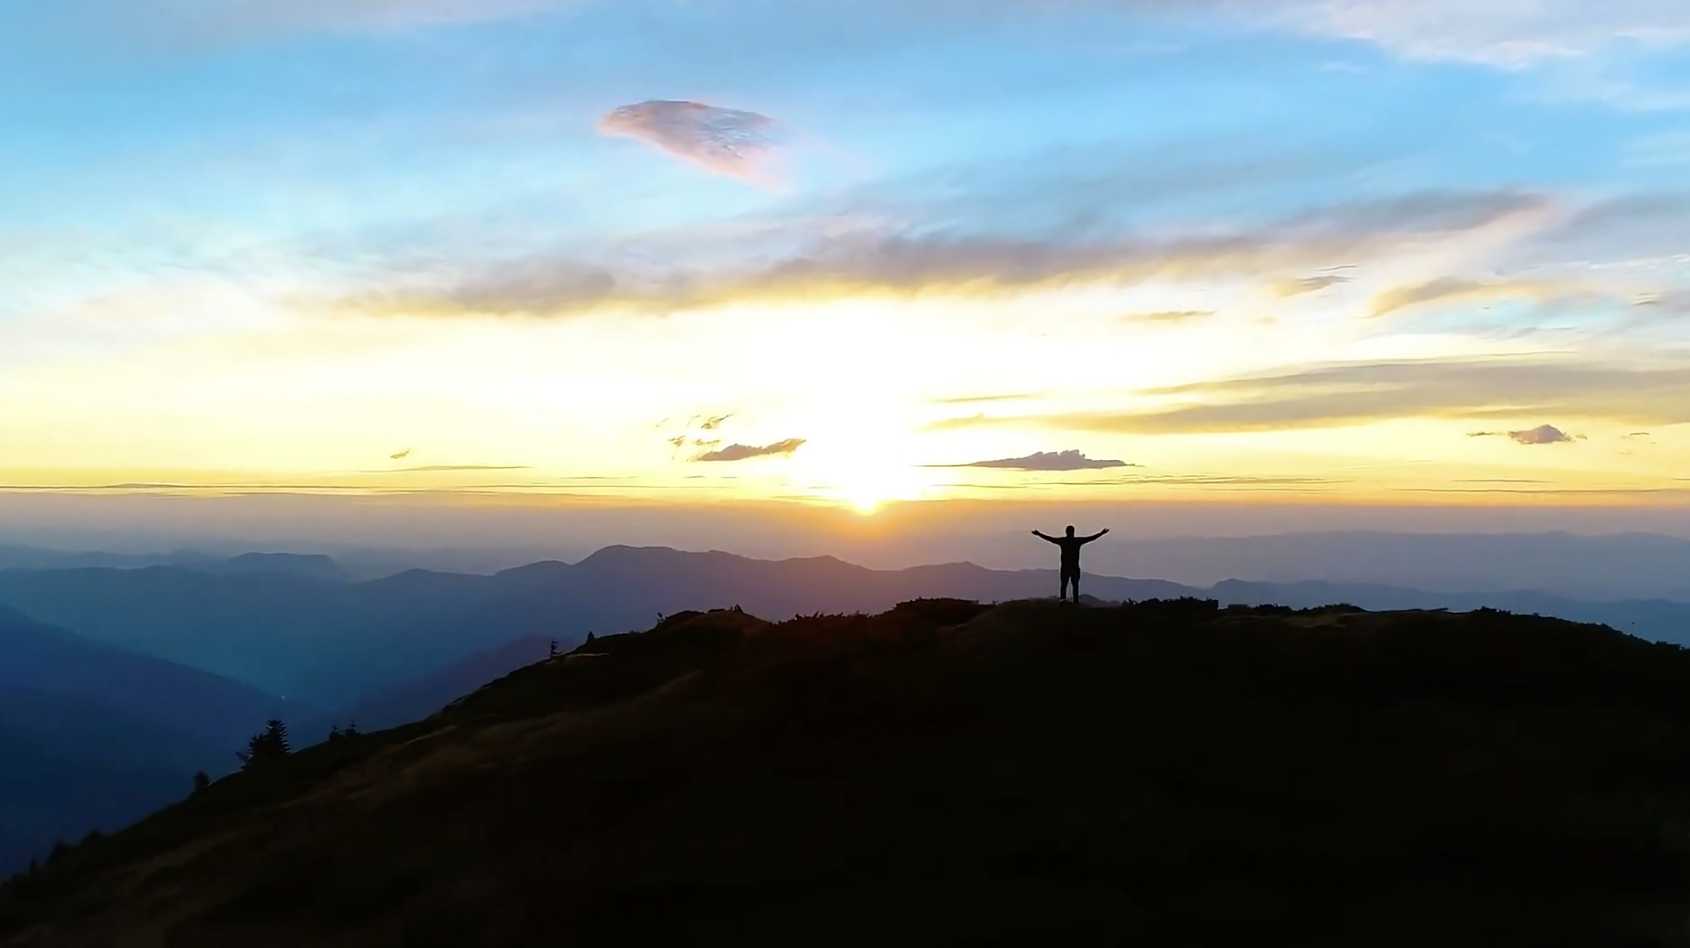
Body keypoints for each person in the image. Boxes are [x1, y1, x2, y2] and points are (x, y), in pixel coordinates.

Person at [1031, 525, 1110, 603]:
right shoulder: (1077, 541)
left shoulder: (1063, 541)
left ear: (1066, 532)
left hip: (1065, 568)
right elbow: (1091, 538)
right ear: (1073, 532)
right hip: (1074, 568)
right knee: (1075, 586)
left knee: (1064, 586)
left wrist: (1039, 534)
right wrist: (1101, 533)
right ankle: (1075, 602)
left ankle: (1063, 601)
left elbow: (1050, 539)